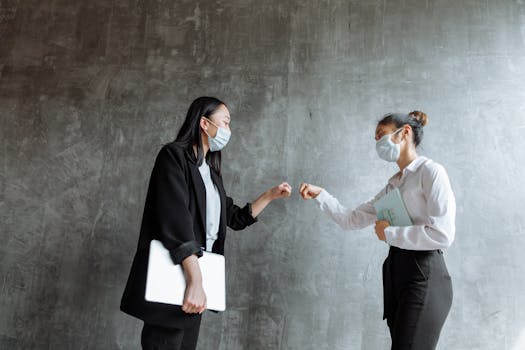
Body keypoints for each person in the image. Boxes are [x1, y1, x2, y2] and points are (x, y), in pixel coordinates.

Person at [120, 96, 292, 350]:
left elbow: (235, 217)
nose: (228, 130)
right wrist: (196, 281)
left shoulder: (209, 173)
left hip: (196, 278)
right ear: (204, 123)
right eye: (225, 122)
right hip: (179, 274)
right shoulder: (173, 156)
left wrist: (270, 195)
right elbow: (175, 221)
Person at [299, 111, 455, 350]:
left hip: (425, 275)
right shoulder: (393, 185)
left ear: (405, 133)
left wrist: (390, 233)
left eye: (381, 135)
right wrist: (322, 195)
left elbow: (442, 234)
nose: (378, 143)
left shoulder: (431, 172)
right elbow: (351, 220)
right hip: (398, 276)